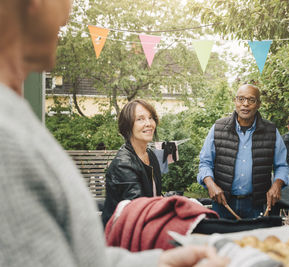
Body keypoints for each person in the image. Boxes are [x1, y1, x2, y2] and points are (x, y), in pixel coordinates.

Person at [0, 0, 226, 266]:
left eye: (150, 117)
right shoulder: (7, 139)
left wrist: (161, 262)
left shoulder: (18, 120)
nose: (67, 14)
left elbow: (81, 257)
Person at [197, 84, 289, 219]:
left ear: (258, 104)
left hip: (257, 205)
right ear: (235, 101)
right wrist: (210, 184)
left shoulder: (271, 131)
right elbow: (205, 162)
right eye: (241, 99)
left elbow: (281, 165)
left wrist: (277, 184)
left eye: (251, 100)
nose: (245, 104)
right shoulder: (218, 128)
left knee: (254, 240)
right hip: (223, 204)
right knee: (222, 240)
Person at [102, 99, 163, 226]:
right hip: (119, 232)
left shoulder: (150, 155)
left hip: (147, 223)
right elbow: (138, 209)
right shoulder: (123, 164)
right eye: (140, 119)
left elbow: (155, 196)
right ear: (128, 126)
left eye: (151, 118)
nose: (148, 123)